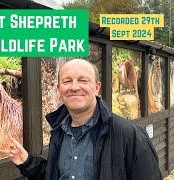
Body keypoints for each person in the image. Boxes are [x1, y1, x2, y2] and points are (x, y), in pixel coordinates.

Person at [9, 59, 162, 180]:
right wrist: (27, 161)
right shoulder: (58, 132)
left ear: (97, 87)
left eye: (83, 80)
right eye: (67, 81)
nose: (74, 87)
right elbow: (55, 175)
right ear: (59, 89)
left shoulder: (130, 136)